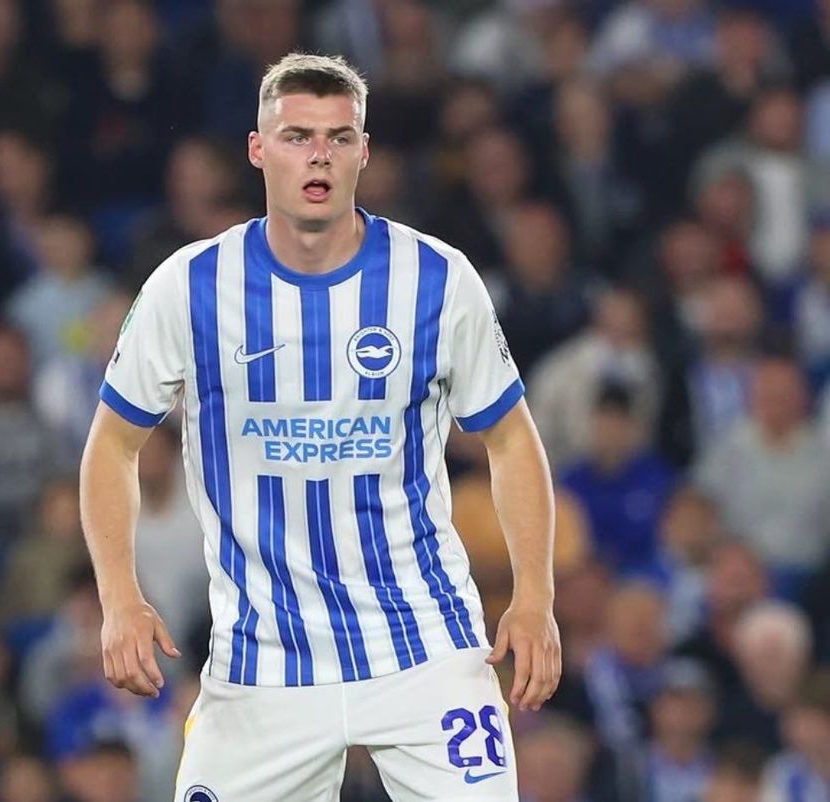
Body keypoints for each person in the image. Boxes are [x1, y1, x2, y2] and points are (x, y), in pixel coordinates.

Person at [80, 52, 561, 801]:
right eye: (298, 136)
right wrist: (119, 598)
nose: (319, 156)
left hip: (425, 646)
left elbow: (510, 437)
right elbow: (112, 443)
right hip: (263, 662)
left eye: (339, 138)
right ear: (257, 149)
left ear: (364, 152)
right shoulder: (190, 286)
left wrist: (535, 597)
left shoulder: (436, 279)